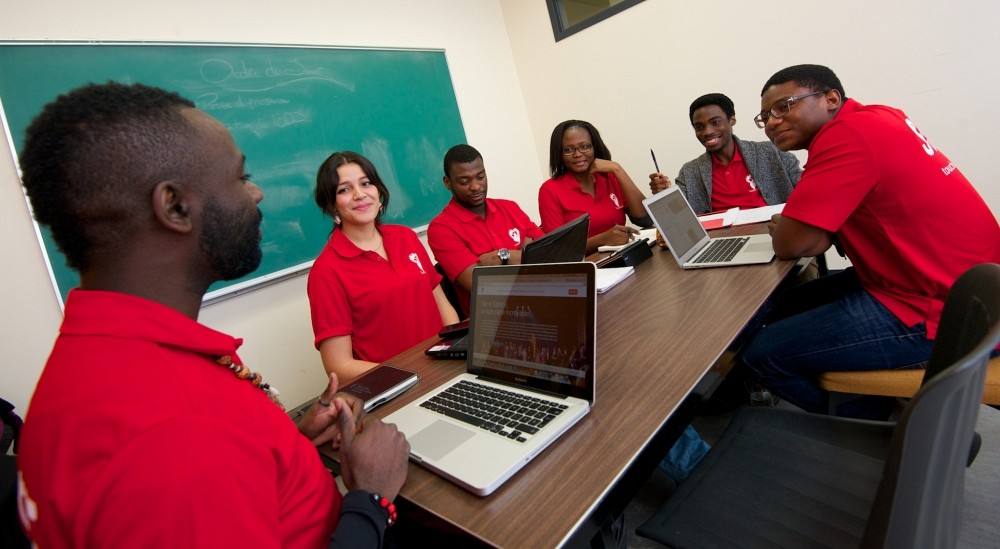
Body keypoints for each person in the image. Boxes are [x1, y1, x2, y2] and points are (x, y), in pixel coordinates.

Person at [16, 82, 410, 547]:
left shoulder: (105, 361)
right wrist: (370, 498)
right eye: (240, 177)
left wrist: (290, 445)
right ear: (176, 206)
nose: (258, 193)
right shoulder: (175, 434)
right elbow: (189, 469)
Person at [741, 64, 1000, 418]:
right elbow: (814, 236)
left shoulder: (845, 136)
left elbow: (794, 244)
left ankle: (882, 432)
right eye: (764, 116)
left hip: (936, 307)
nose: (772, 122)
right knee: (784, 304)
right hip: (958, 286)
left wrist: (793, 225)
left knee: (762, 354)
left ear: (831, 98)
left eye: (783, 107)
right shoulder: (878, 116)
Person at [308, 151, 460, 381]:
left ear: (378, 191)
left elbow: (443, 308)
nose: (360, 195)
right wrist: (413, 375)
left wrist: (453, 351)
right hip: (395, 387)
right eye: (344, 190)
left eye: (366, 183)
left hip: (444, 369)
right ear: (332, 204)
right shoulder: (326, 272)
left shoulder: (405, 237)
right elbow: (338, 365)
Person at [428, 144, 545, 316]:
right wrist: (526, 252)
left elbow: (550, 254)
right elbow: (480, 284)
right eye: (464, 181)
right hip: (495, 319)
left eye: (480, 177)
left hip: (541, 299)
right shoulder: (441, 228)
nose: (476, 186)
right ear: (448, 183)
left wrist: (500, 257)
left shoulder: (509, 207)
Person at [648, 93, 802, 213]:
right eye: (699, 127)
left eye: (715, 122)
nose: (707, 132)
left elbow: (807, 190)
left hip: (773, 236)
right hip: (721, 244)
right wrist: (665, 195)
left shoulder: (773, 153)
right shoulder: (689, 172)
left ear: (732, 120)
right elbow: (680, 220)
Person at [538, 120, 652, 254]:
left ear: (595, 147)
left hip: (623, 255)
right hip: (588, 266)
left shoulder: (609, 177)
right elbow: (557, 249)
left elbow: (645, 219)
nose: (578, 154)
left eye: (585, 146)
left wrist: (617, 169)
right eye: (568, 150)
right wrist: (602, 239)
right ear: (560, 154)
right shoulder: (550, 189)